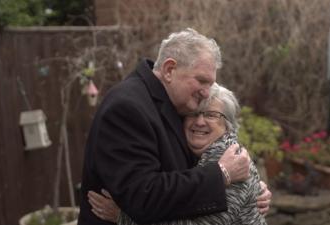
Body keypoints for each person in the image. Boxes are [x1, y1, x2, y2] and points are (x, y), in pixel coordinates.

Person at [78, 28, 269, 225]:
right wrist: (222, 175)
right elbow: (144, 196)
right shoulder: (128, 107)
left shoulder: (172, 103)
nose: (206, 93)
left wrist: (251, 189)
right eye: (202, 81)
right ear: (169, 70)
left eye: (210, 84)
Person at [88, 83, 268, 225]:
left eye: (211, 115)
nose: (199, 121)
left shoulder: (231, 161)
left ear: (228, 125)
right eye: (193, 114)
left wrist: (121, 217)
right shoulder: (200, 156)